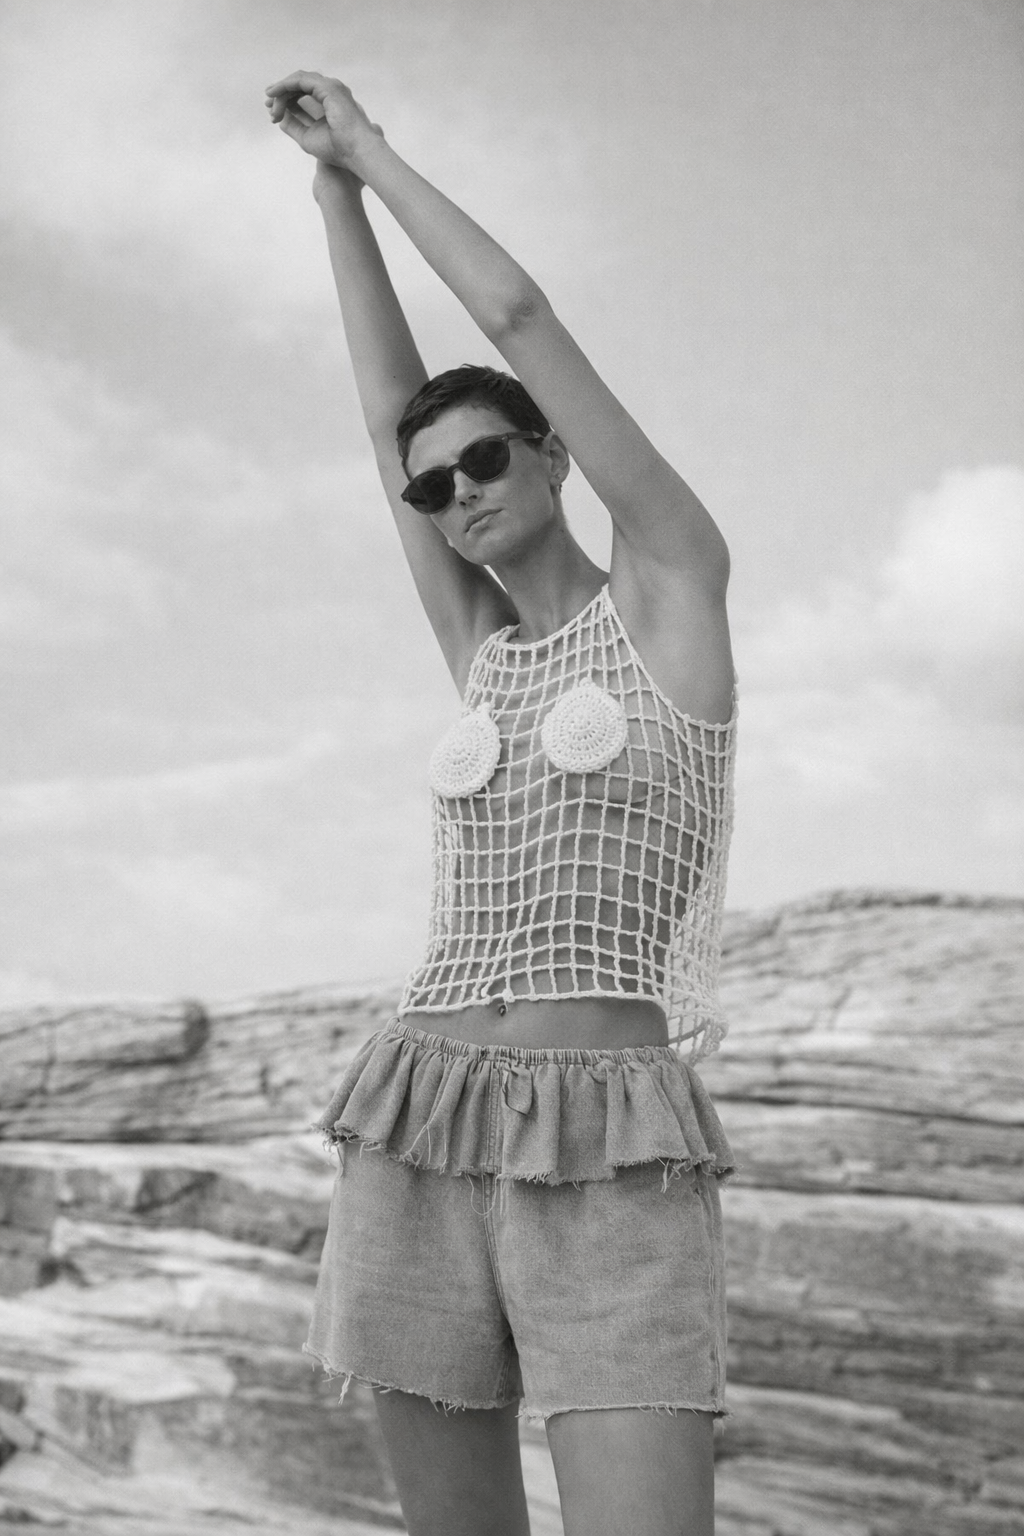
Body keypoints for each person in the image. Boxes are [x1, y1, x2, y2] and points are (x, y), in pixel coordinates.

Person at [265, 69, 737, 1536]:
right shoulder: (481, 652)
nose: (459, 489)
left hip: (613, 1146)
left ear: (550, 454)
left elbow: (522, 319)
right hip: (421, 1116)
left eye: (485, 456)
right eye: (434, 486)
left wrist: (376, 155)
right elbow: (375, 425)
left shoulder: (669, 591)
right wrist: (328, 203)